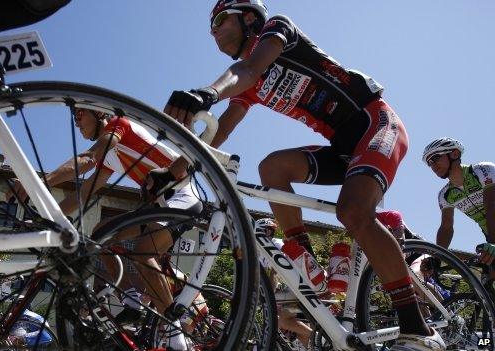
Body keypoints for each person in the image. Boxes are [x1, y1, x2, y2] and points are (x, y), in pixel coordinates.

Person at [148, 1, 445, 348]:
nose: (213, 31)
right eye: (211, 27)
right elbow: (219, 131)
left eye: (219, 20)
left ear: (248, 18)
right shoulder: (247, 83)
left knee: (351, 211)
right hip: (343, 148)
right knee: (272, 168)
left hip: (375, 123)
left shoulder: (278, 28)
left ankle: (418, 328)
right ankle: (304, 260)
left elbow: (249, 67)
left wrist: (208, 93)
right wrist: (172, 171)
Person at [10, 108, 202, 350]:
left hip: (183, 195)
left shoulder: (119, 125)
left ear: (99, 114)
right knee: (100, 236)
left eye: (79, 115)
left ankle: (175, 336)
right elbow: (83, 195)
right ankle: (132, 300)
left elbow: (87, 159)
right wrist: (45, 219)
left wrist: (37, 183)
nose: (76, 122)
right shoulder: (110, 156)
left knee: (142, 252)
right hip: (157, 205)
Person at [423, 137, 495, 270]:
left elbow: (491, 205)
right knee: (488, 282)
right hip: (490, 235)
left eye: (435, 158)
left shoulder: (483, 170)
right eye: (429, 163)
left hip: (492, 237)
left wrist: (493, 243)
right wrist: (437, 257)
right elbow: (446, 228)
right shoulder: (445, 195)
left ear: (454, 154)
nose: (432, 166)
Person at [255, 217, 312, 349]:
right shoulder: (260, 253)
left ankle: (319, 335)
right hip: (296, 287)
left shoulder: (277, 245)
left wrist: (265, 296)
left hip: (302, 284)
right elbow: (266, 280)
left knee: (279, 320)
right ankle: (315, 338)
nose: (269, 235)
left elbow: (274, 275)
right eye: (266, 232)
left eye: (270, 232)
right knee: (301, 335)